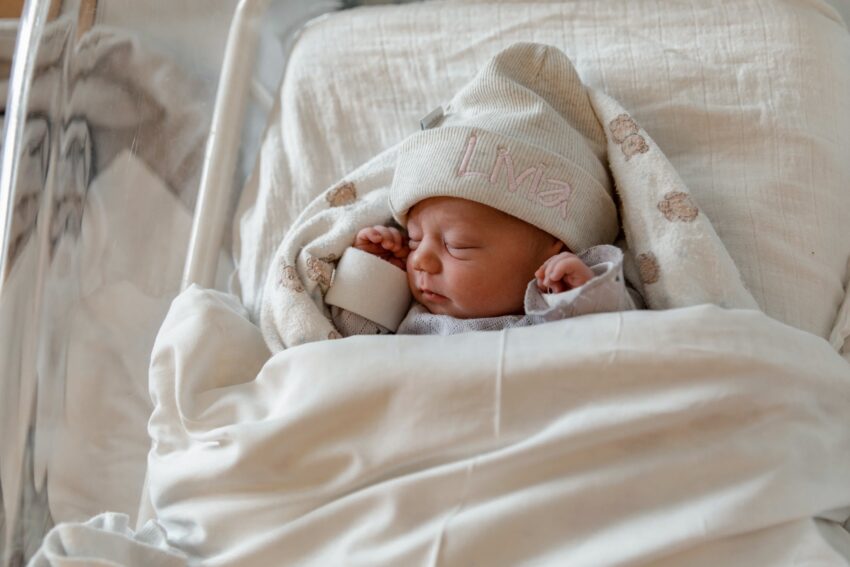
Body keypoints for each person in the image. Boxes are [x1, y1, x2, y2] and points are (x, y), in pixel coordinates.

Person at [324, 42, 641, 336]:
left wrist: (582, 296)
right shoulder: (415, 315)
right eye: (414, 239)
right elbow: (351, 344)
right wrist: (376, 274)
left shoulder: (552, 317)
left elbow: (624, 344)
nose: (420, 260)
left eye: (457, 245)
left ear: (554, 247)